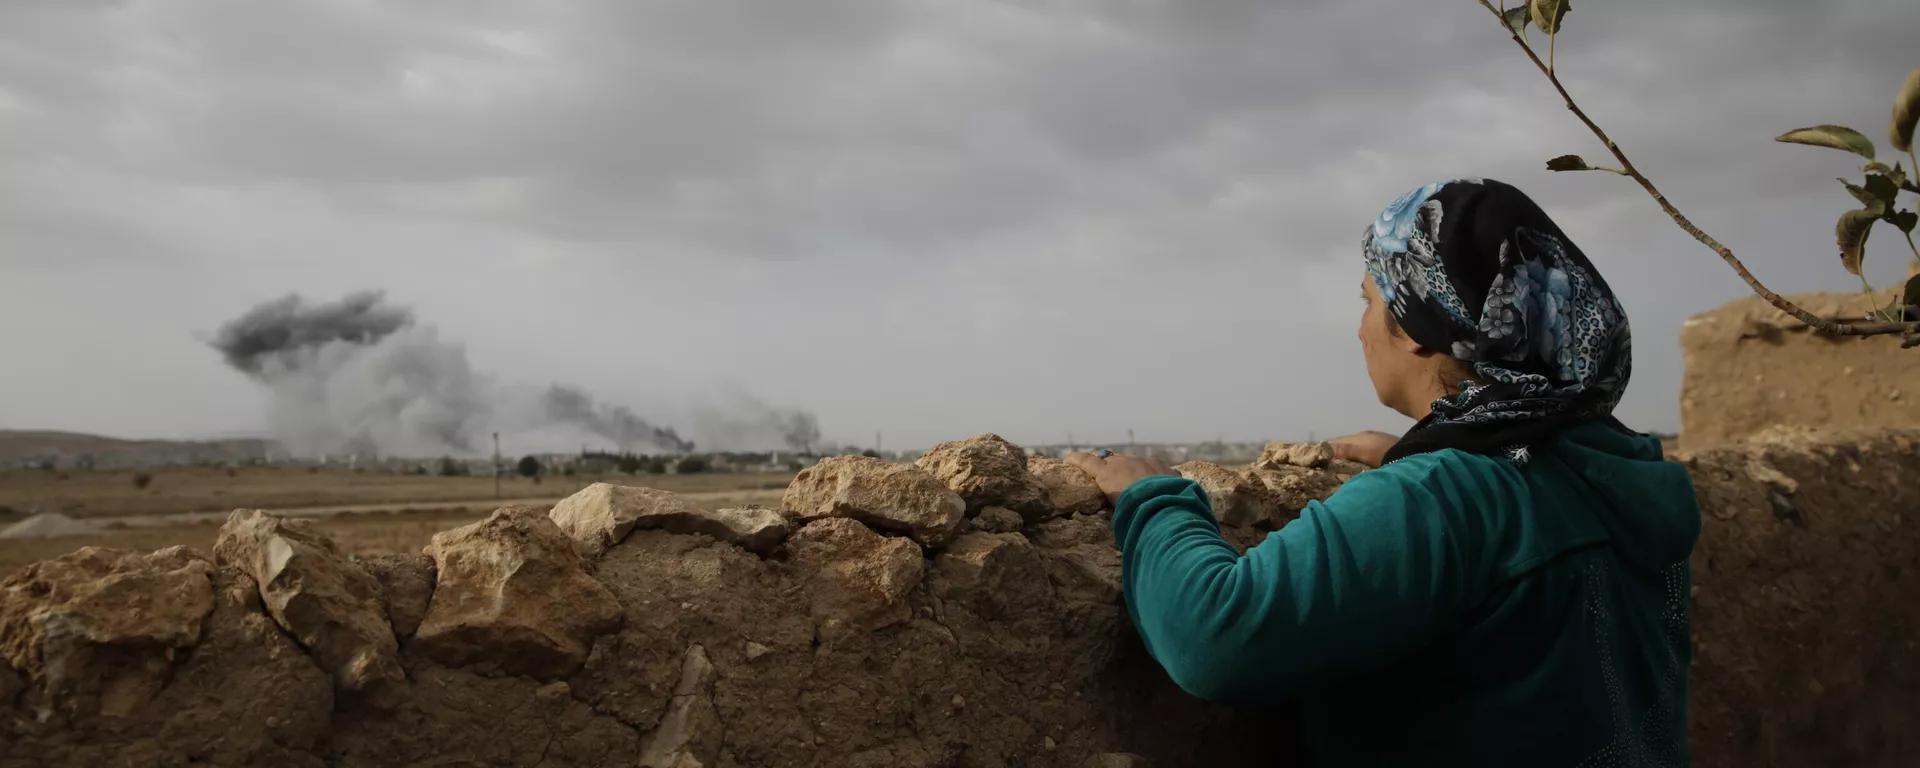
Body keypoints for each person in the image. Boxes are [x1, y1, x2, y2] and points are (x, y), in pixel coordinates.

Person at [1066, 179, 1701, 767]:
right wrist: (1422, 453)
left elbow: (1213, 637)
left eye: (1370, 300)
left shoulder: (1445, 496)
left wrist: (1152, 497)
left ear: (1420, 327)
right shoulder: (1614, 465)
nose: (1360, 328)